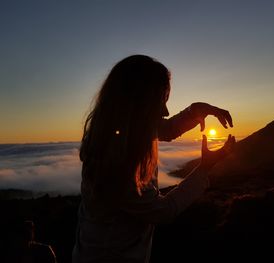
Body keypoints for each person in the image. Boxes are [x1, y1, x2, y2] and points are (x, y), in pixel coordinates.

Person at [72, 54, 235, 263]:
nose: (166, 111)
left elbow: (165, 129)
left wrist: (195, 111)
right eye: (160, 101)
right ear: (138, 104)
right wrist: (204, 168)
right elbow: (162, 212)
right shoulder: (115, 162)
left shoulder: (121, 130)